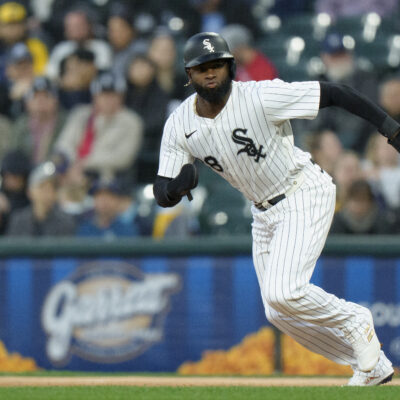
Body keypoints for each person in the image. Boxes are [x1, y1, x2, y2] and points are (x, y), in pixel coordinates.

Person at [153, 32, 399, 386]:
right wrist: (176, 188)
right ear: (188, 75)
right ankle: (371, 366)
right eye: (202, 68)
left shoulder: (259, 96)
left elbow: (335, 93)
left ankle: (355, 319)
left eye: (217, 65)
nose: (211, 74)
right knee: (277, 311)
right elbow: (161, 191)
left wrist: (389, 128)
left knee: (283, 291)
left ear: (231, 67)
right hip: (262, 212)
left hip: (301, 190)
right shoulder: (179, 124)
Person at [54, 71, 143, 183]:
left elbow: (123, 158)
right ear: (95, 96)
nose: (108, 99)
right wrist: (72, 165)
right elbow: (63, 144)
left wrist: (84, 164)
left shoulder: (131, 121)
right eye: (103, 94)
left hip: (105, 176)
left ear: (122, 97)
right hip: (71, 170)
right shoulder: (80, 113)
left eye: (113, 95)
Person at [6, 161, 76, 236]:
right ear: (30, 191)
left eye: (52, 187)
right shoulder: (18, 221)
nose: (48, 192)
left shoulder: (65, 222)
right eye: (42, 187)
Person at [11, 76, 67, 165]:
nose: (40, 101)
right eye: (35, 96)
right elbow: (13, 154)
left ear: (56, 100)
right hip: (24, 173)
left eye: (46, 96)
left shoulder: (66, 122)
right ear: (27, 103)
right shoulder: (20, 124)